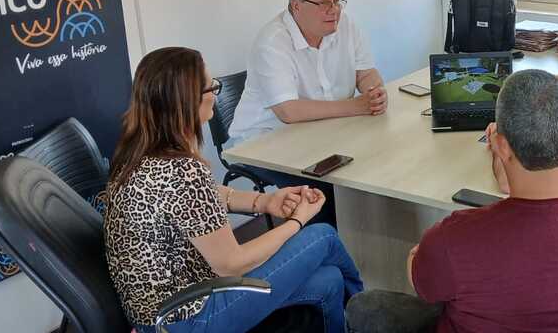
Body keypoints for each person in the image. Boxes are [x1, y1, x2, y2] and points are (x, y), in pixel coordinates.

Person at [346, 70, 558, 333]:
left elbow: (421, 282)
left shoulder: (455, 237)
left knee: (364, 307)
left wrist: (420, 254)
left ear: (499, 144)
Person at [103, 47, 363, 333]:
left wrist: (265, 202)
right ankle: (369, 316)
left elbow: (206, 194)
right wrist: (297, 221)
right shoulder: (182, 170)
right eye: (210, 86)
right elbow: (231, 264)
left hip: (163, 313)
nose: (215, 91)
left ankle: (355, 321)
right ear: (186, 100)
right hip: (189, 318)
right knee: (322, 235)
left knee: (329, 281)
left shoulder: (137, 152)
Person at [228, 0, 387, 224]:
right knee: (322, 193)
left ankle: (369, 247)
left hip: (327, 131)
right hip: (267, 143)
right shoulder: (272, 41)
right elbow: (289, 112)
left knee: (378, 164)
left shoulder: (345, 24)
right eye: (324, 4)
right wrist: (357, 106)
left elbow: (365, 72)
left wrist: (373, 91)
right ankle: (328, 248)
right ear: (296, 6)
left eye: (337, 2)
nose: (334, 10)